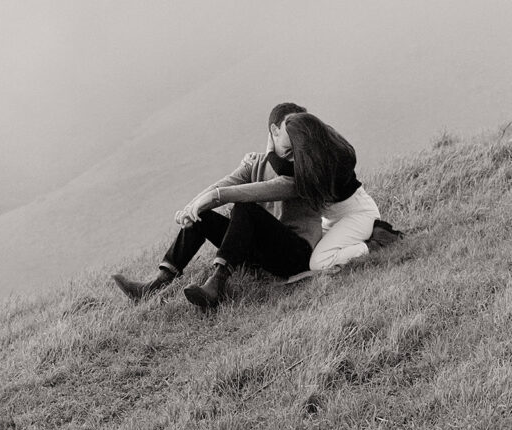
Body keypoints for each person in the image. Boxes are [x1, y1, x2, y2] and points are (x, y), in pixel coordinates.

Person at [112, 101, 325, 310]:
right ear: (274, 130)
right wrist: (192, 208)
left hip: (295, 254)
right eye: (291, 123)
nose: (298, 129)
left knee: (245, 206)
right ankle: (157, 283)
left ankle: (217, 283)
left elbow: (253, 191)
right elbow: (225, 183)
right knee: (202, 216)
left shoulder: (304, 168)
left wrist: (214, 197)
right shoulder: (255, 163)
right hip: (263, 253)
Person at [276, 112, 391, 272]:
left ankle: (377, 242)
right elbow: (284, 167)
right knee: (305, 254)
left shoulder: (335, 160)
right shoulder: (320, 154)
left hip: (358, 214)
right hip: (332, 220)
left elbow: (282, 168)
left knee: (319, 262)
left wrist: (271, 146)